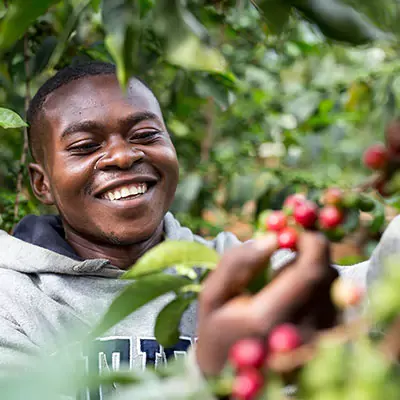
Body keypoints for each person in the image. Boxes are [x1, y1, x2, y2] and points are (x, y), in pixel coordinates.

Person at [0, 61, 376, 394]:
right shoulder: (13, 302)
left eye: (145, 135)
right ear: (42, 184)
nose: (123, 155)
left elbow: (376, 283)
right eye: (84, 146)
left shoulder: (237, 267)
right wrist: (207, 371)